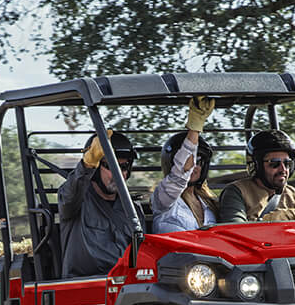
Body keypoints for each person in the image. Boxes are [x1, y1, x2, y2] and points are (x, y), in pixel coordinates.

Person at [57, 128, 138, 277]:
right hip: (86, 289)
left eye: (124, 166)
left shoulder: (132, 209)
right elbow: (69, 195)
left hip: (128, 287)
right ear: (95, 169)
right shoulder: (77, 202)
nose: (118, 173)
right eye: (110, 166)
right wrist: (86, 165)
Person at [217, 129, 295, 223]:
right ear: (257, 166)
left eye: (287, 163)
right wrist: (267, 222)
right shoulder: (237, 192)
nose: (283, 169)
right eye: (274, 163)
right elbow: (235, 231)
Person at [152, 96, 221, 233]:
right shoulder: (164, 198)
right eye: (193, 160)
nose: (195, 166)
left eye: (200, 161)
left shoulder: (209, 203)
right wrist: (194, 129)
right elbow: (181, 173)